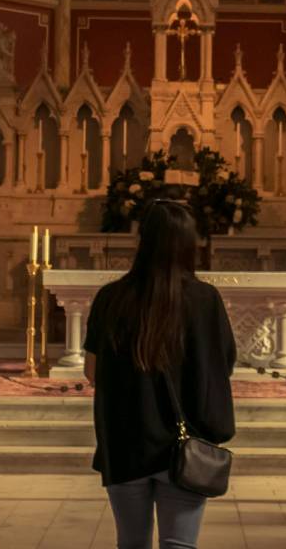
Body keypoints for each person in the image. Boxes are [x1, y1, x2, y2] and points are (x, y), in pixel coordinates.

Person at [85, 199, 236, 549]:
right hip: (185, 448)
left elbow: (92, 372)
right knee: (178, 545)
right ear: (188, 244)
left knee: (132, 543)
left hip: (125, 444)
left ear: (143, 241)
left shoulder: (111, 298)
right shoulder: (205, 300)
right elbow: (223, 365)